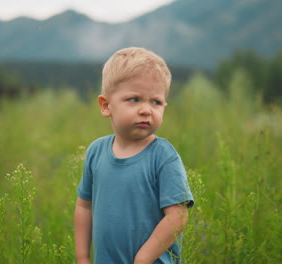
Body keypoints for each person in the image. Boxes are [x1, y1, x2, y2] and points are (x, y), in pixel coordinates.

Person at [74, 47, 194, 264]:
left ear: (164, 107)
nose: (147, 110)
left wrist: (143, 258)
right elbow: (84, 206)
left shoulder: (163, 157)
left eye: (155, 102)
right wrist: (82, 257)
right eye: (135, 99)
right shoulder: (96, 152)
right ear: (106, 105)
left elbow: (178, 216)